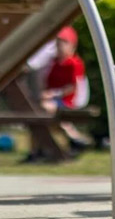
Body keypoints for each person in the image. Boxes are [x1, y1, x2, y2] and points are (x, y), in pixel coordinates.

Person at [38, 25, 91, 153]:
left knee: (45, 109)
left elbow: (73, 87)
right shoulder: (53, 62)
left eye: (63, 43)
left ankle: (70, 139)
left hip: (69, 100)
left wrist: (53, 94)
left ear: (72, 45)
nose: (59, 46)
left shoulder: (74, 63)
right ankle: (73, 139)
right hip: (55, 101)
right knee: (40, 112)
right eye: (58, 43)